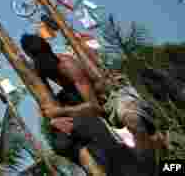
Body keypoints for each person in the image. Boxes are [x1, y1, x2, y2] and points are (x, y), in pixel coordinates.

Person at [20, 32, 157, 173]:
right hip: (82, 105)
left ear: (47, 48)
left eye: (40, 54)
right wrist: (53, 119)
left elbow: (95, 107)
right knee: (61, 143)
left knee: (133, 122)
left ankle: (147, 168)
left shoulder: (68, 65)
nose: (40, 60)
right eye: (36, 56)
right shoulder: (40, 70)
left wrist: (61, 112)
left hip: (109, 99)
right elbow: (48, 106)